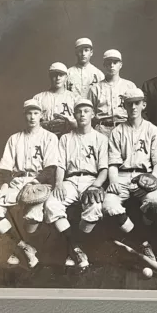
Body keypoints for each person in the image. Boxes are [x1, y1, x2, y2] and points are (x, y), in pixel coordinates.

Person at [0, 99, 59, 268]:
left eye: (36, 113)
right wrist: (4, 185)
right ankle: (24, 247)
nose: (32, 116)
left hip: (39, 183)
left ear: (42, 115)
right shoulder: (14, 138)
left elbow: (51, 168)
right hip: (17, 182)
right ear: (24, 115)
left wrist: (35, 182)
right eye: (29, 113)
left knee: (33, 212)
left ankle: (20, 252)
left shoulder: (50, 137)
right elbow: (5, 167)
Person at [102, 88, 157, 260]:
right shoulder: (117, 131)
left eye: (137, 103)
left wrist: (151, 181)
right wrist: (114, 181)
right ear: (124, 106)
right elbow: (113, 163)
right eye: (129, 104)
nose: (133, 107)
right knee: (108, 205)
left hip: (145, 176)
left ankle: (142, 239)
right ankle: (142, 241)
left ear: (143, 105)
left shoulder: (152, 130)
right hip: (123, 176)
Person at [43, 99, 109, 271]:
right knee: (51, 204)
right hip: (70, 180)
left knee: (94, 207)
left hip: (91, 180)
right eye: (79, 111)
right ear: (74, 115)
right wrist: (58, 183)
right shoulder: (65, 138)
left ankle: (76, 247)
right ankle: (77, 248)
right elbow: (61, 165)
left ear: (93, 114)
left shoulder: (101, 138)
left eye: (86, 111)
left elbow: (104, 170)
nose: (82, 114)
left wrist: (96, 186)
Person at [87, 49, 137, 137]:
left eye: (115, 62)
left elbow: (136, 110)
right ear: (104, 65)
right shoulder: (95, 88)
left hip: (124, 128)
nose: (111, 65)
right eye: (108, 62)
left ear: (120, 65)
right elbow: (89, 113)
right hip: (101, 129)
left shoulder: (130, 86)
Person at [34, 62, 79, 136]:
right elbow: (31, 122)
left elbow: (82, 124)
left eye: (61, 75)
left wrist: (68, 123)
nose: (58, 78)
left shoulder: (75, 98)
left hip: (68, 137)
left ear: (66, 77)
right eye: (54, 75)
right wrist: (44, 124)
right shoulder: (38, 98)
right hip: (45, 138)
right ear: (50, 76)